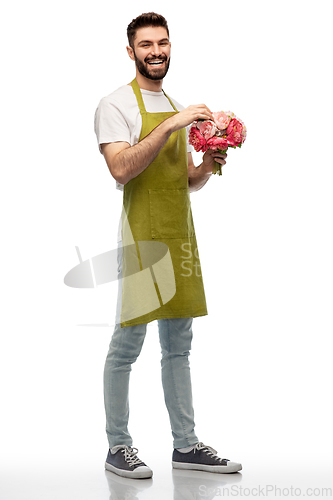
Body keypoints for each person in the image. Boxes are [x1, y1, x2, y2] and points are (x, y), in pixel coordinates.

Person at [94, 12, 242, 479]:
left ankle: (186, 445)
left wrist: (207, 165)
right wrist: (170, 124)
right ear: (131, 51)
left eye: (162, 43)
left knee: (179, 344)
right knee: (128, 342)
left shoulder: (176, 102)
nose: (155, 51)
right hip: (142, 236)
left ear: (170, 46)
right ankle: (118, 446)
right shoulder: (116, 104)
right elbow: (122, 169)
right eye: (145, 44)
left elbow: (184, 183)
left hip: (179, 234)